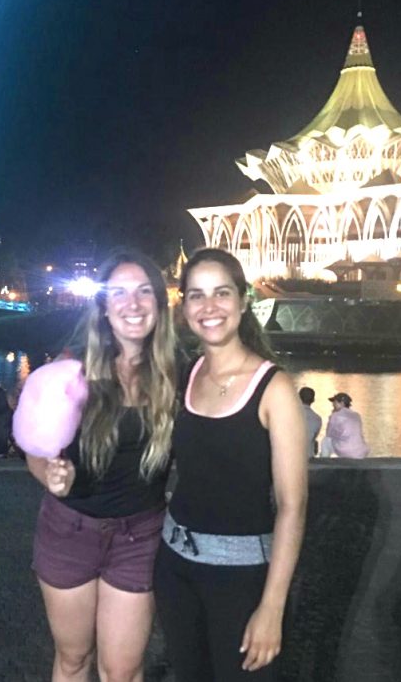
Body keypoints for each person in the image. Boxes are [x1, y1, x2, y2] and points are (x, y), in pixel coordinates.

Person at [23, 248, 177, 682]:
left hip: (140, 536)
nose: (133, 303)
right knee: (74, 659)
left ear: (159, 302)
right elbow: (35, 449)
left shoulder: (177, 372)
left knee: (122, 671)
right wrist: (51, 475)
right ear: (104, 307)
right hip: (70, 530)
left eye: (144, 291)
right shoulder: (71, 370)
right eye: (119, 293)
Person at [154, 248, 307, 681]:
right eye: (197, 295)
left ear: (243, 301)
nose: (210, 307)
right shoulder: (188, 374)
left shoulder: (274, 388)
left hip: (243, 580)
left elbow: (293, 506)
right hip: (175, 569)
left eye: (221, 293)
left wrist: (272, 606)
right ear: (184, 307)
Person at [320, 392, 370, 458]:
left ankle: (324, 461)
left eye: (335, 402)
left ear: (342, 403)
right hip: (362, 451)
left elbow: (329, 433)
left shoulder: (335, 415)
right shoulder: (357, 415)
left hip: (347, 451)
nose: (333, 404)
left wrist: (332, 416)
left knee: (326, 440)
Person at [298, 386, 322, 457]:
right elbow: (313, 437)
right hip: (308, 456)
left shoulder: (287, 414)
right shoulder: (317, 419)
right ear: (313, 400)